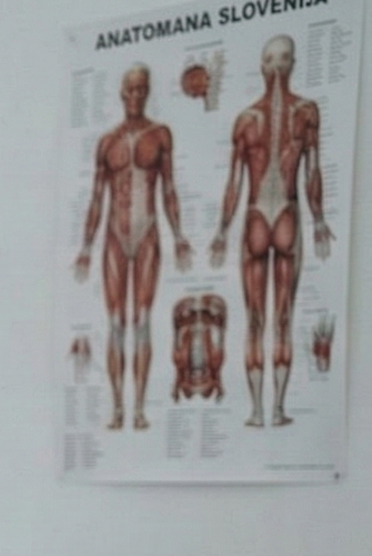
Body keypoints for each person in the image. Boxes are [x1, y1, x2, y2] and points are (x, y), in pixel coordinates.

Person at [208, 33, 335, 429]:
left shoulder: (285, 114)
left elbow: (313, 170)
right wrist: (221, 229)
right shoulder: (287, 114)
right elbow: (233, 181)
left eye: (283, 58)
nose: (278, 66)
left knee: (275, 316)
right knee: (266, 317)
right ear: (263, 66)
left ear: (292, 63)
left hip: (269, 216)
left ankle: (269, 409)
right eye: (272, 59)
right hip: (273, 215)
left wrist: (319, 219)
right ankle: (266, 410)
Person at [72, 62, 190, 432]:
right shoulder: (107, 142)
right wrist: (86, 247)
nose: (137, 95)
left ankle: (138, 408)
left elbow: (169, 188)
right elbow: (96, 198)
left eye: (143, 89)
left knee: (141, 321)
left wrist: (180, 235)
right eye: (131, 89)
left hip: (148, 232)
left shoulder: (160, 135)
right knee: (116, 323)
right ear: (122, 94)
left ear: (148, 92)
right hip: (114, 236)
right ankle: (117, 408)